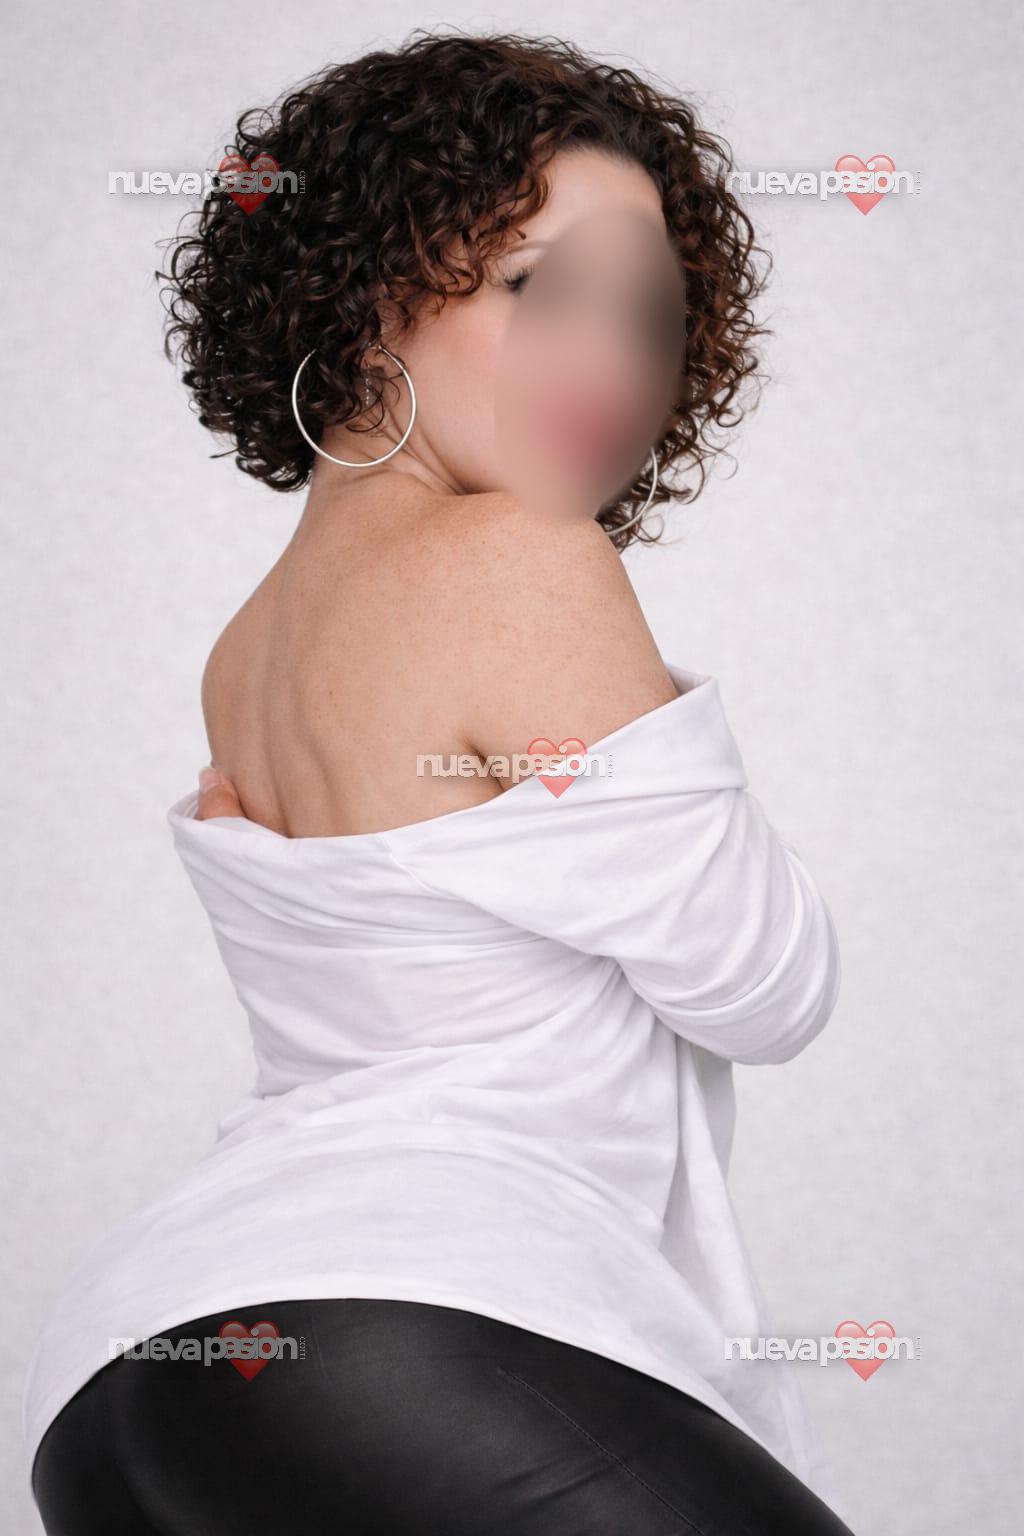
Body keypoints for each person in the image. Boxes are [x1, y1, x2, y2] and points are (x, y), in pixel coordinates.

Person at [23, 29, 855, 1534]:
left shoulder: (247, 649)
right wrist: (651, 745)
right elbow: (766, 984)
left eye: (651, 317)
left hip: (138, 1381)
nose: (614, 363)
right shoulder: (514, 562)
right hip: (404, 1328)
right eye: (546, 289)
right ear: (368, 287)